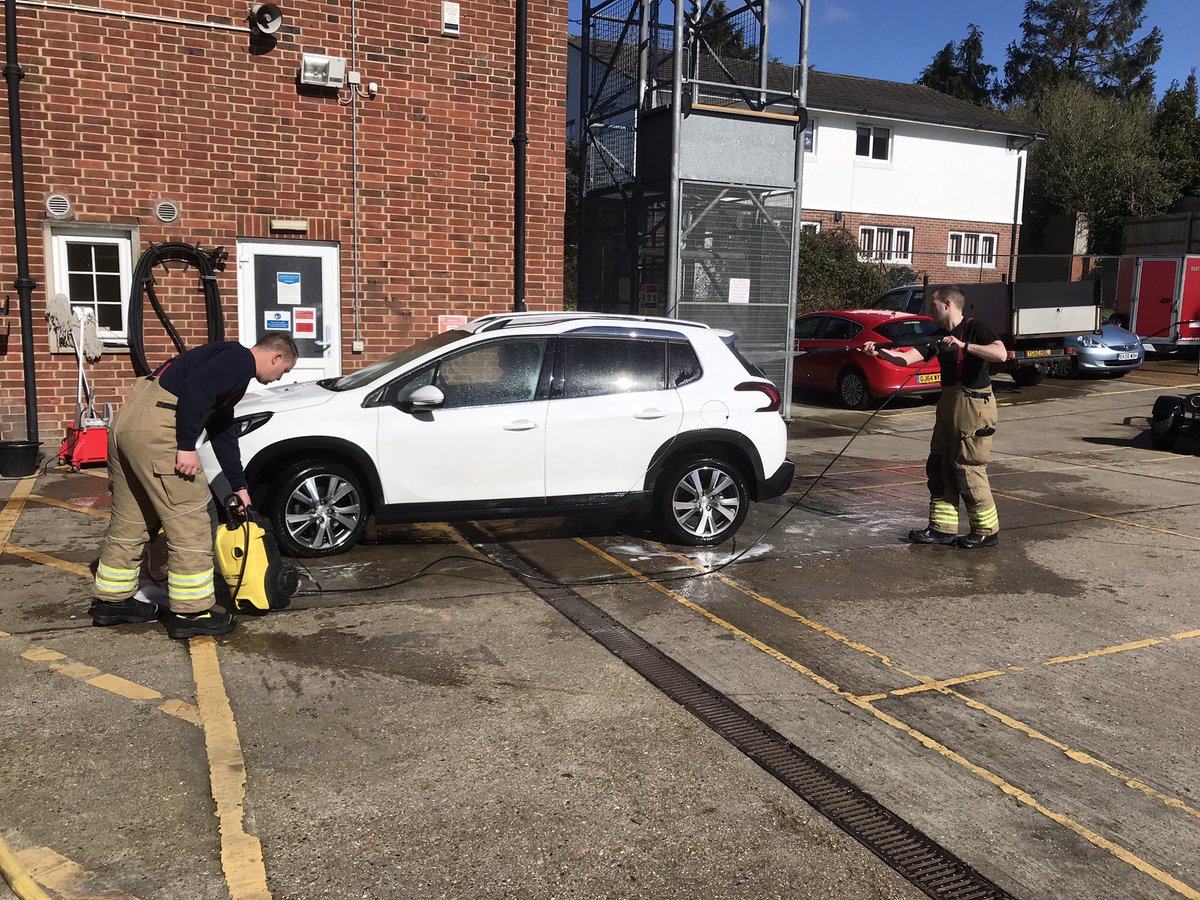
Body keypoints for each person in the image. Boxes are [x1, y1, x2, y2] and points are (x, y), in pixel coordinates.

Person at [90, 334, 298, 637]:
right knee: (192, 521)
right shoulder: (239, 360)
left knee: (132, 519)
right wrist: (186, 446)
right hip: (157, 428)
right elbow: (194, 391)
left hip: (127, 424)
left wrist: (239, 486)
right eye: (284, 370)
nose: (281, 377)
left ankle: (112, 602)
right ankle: (192, 613)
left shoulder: (226, 361)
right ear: (276, 357)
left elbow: (222, 429)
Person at [861, 285, 1007, 549]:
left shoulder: (976, 328)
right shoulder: (938, 336)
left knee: (967, 467)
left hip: (974, 403)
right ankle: (942, 528)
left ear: (948, 304)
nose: (929, 311)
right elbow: (905, 360)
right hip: (949, 400)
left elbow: (1000, 353)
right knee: (939, 465)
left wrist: (964, 345)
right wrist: (878, 351)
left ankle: (987, 531)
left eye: (933, 305)